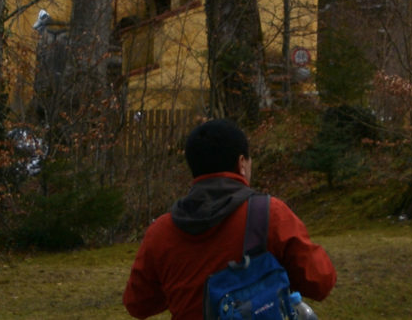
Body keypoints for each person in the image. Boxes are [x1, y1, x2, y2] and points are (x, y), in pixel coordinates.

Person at [124, 118, 337, 320]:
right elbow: (320, 282)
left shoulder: (160, 232)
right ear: (241, 163)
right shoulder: (270, 213)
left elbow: (138, 304)